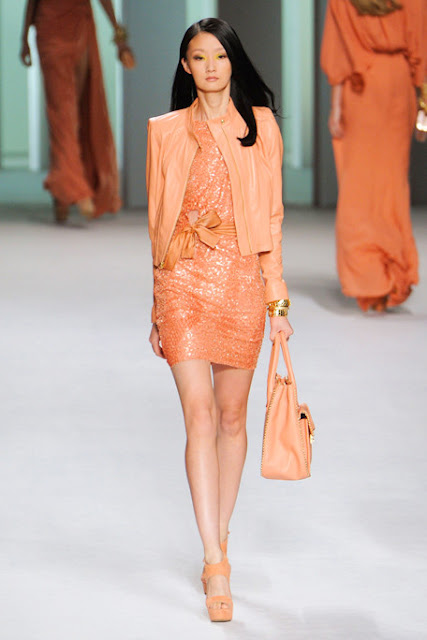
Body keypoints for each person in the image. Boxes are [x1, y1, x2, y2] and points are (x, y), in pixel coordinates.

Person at [146, 18, 293, 622]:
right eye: (199, 57)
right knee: (200, 415)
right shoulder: (164, 131)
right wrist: (157, 303)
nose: (210, 67)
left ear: (233, 62)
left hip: (240, 280)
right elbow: (157, 221)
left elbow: (273, 218)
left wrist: (277, 302)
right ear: (185, 66)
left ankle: (220, 532)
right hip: (182, 281)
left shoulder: (260, 127)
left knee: (232, 416)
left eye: (220, 56)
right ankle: (214, 560)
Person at [321, 0, 427, 312]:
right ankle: (393, 272)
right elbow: (420, 49)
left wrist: (335, 107)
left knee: (358, 186)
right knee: (391, 185)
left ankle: (368, 279)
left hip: (361, 88)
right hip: (397, 84)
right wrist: (423, 106)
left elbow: (339, 53)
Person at [20, 0, 135, 224]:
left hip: (78, 28)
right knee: (62, 112)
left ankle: (63, 194)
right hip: (50, 30)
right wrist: (24, 38)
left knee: (75, 111)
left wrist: (119, 36)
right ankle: (72, 188)